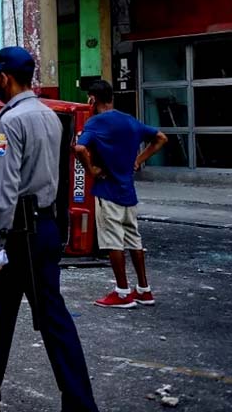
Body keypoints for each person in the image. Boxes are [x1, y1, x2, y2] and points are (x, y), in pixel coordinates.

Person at [0, 46, 98, 412]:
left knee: (29, 318)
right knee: (25, 315)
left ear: (4, 78)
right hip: (43, 226)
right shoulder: (48, 116)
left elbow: (7, 183)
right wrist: (1, 207)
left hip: (17, 234)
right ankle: (70, 403)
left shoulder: (10, 121)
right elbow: (42, 177)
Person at [74, 80, 168, 309]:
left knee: (113, 242)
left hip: (108, 192)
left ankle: (122, 291)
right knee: (134, 240)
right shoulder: (130, 121)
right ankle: (144, 290)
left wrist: (92, 169)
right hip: (128, 192)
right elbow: (161, 138)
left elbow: (78, 148)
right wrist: (139, 160)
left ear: (92, 99)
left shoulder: (95, 122)